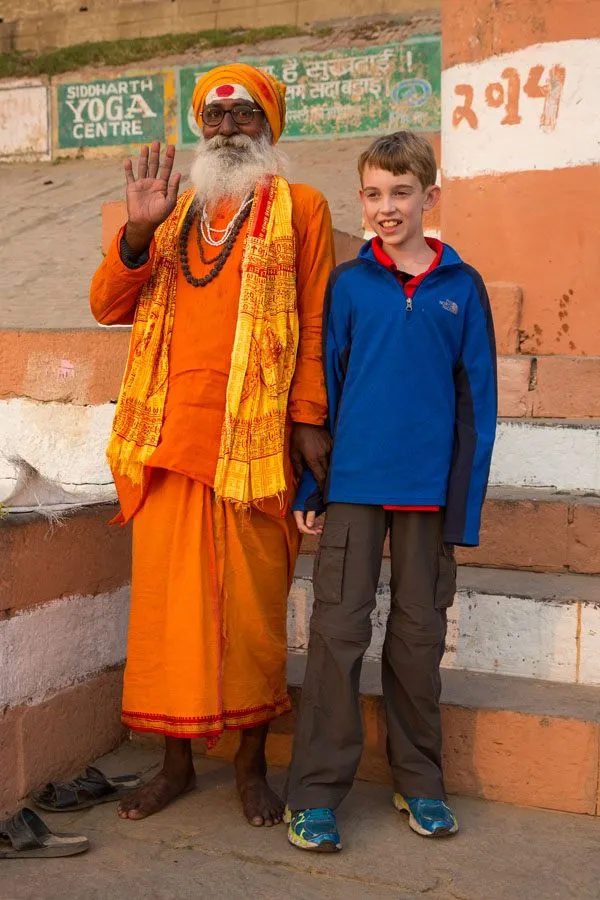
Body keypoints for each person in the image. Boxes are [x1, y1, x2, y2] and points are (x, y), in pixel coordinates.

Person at [89, 63, 335, 827]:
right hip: (167, 443)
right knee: (168, 622)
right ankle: (173, 765)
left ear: (269, 124)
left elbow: (318, 322)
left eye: (244, 113)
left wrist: (307, 418)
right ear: (202, 126)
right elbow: (106, 306)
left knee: (253, 618)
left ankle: (252, 766)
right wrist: (136, 231)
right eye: (216, 114)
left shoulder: (303, 207)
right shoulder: (162, 209)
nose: (228, 126)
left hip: (256, 449)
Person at [285, 131, 497, 851]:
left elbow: (477, 405)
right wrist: (313, 482)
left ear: (430, 197)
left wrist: (463, 509)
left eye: (401, 193)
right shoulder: (349, 285)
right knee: (337, 637)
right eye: (373, 194)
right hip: (352, 490)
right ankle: (313, 795)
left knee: (416, 639)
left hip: (428, 499)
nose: (386, 207)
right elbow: (327, 386)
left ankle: (421, 781)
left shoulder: (462, 289)